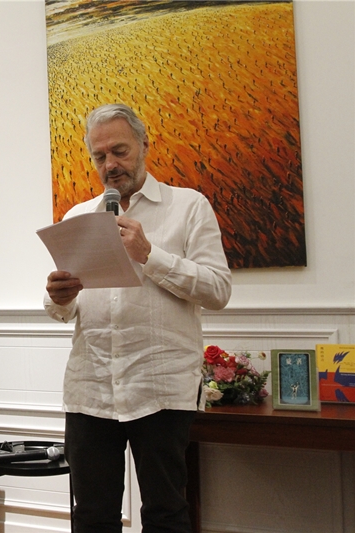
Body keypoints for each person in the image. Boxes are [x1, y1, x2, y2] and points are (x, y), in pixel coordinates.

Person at [44, 103, 232, 533]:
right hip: (91, 389)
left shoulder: (189, 206)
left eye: (120, 151)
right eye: (99, 156)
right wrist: (58, 297)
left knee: (166, 515)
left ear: (145, 145)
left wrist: (150, 255)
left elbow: (218, 290)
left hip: (160, 387)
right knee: (92, 516)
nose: (110, 165)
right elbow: (64, 311)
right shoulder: (78, 217)